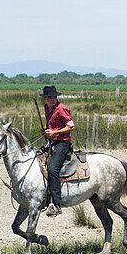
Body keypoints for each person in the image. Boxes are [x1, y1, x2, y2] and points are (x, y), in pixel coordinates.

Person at [40, 85, 75, 217]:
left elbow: (71, 126)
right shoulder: (46, 108)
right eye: (49, 97)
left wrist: (55, 132)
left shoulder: (61, 109)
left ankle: (57, 204)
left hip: (62, 143)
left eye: (54, 97)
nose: (52, 99)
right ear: (45, 98)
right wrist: (46, 131)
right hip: (52, 141)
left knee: (53, 169)